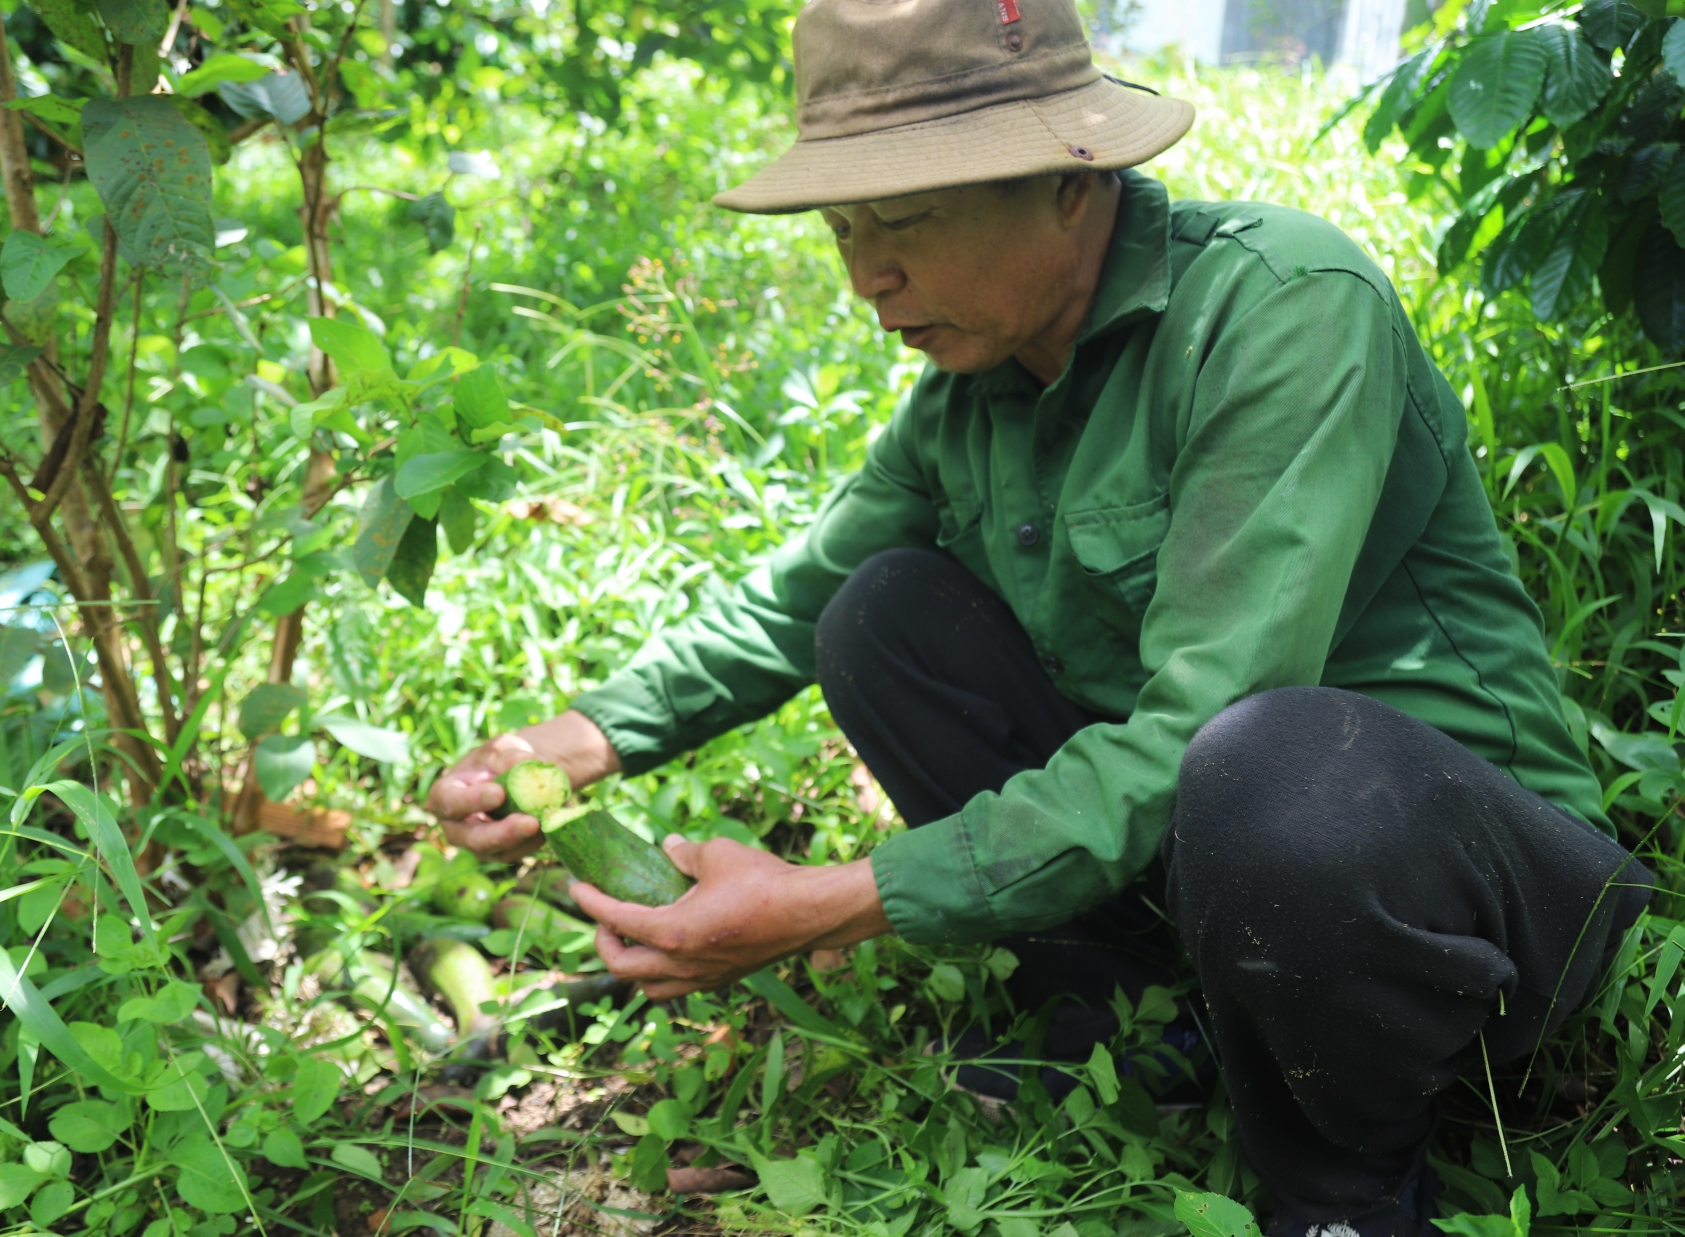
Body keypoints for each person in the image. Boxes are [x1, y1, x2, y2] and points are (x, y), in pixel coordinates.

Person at [424, 1, 1655, 1233]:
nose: (868, 275)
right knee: (879, 614)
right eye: (844, 227)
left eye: (904, 219)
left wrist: (844, 896)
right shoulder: (976, 390)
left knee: (1267, 757)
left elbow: (1201, 725)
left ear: (1073, 183)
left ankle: (1342, 1187)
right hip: (1224, 859)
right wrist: (583, 737)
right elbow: (795, 597)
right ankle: (1146, 1027)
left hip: (1463, 899)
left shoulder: (1282, 307)